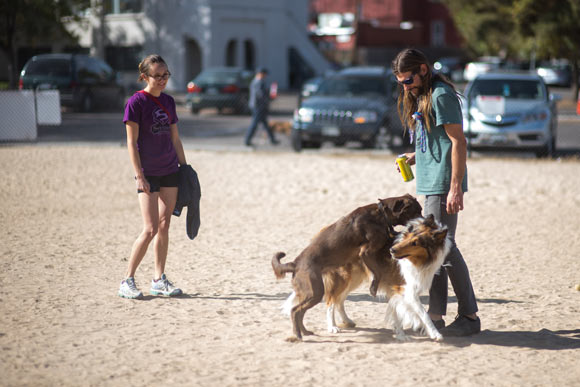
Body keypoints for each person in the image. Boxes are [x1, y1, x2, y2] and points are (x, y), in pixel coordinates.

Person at [391, 48, 480, 336]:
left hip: (444, 184)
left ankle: (469, 315)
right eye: (401, 82)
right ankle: (436, 315)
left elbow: (458, 142)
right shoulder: (423, 96)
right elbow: (436, 139)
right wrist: (416, 156)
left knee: (445, 249)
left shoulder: (441, 95)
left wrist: (456, 187)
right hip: (429, 183)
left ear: (423, 70)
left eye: (408, 80)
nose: (406, 86)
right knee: (436, 252)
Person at [118, 54, 187, 299]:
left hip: (170, 169)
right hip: (148, 173)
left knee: (164, 225)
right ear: (145, 76)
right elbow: (131, 142)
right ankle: (127, 280)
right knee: (149, 229)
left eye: (165, 75)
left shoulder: (168, 101)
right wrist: (139, 176)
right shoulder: (136, 103)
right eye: (157, 75)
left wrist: (185, 169)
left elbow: (175, 139)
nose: (162, 80)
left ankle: (158, 279)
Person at [244, 67, 279, 146]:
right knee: (255, 123)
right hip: (258, 106)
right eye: (265, 74)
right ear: (261, 73)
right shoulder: (258, 82)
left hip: (257, 105)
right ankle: (247, 140)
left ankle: (272, 139)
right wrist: (269, 98)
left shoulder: (255, 81)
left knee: (265, 123)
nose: (265, 76)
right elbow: (260, 94)